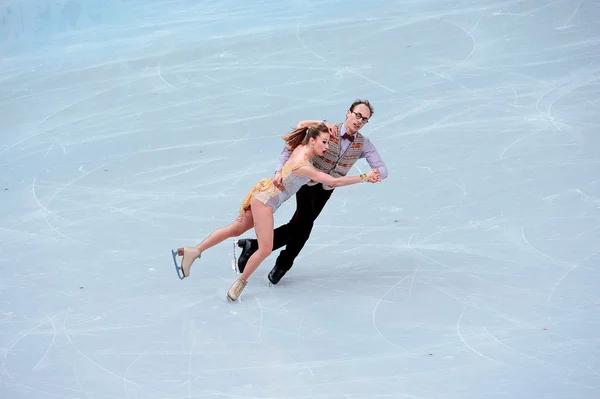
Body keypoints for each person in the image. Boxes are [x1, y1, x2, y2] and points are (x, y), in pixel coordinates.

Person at [172, 123, 381, 302]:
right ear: (312, 141)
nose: (327, 147)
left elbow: (301, 123)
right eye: (324, 142)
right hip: (265, 202)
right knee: (265, 249)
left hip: (261, 194)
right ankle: (240, 283)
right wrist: (363, 177)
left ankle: (194, 251)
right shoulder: (304, 166)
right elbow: (333, 181)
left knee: (235, 229)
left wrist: (320, 123)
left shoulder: (300, 148)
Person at [235, 99, 388, 285]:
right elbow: (292, 146)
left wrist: (376, 174)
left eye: (364, 119)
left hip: (327, 189)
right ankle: (283, 264)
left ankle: (254, 246)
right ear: (348, 112)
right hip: (306, 182)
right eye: (357, 115)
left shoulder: (363, 143)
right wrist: (279, 170)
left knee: (298, 225)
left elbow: (382, 168)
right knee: (304, 226)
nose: (359, 121)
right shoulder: (326, 130)